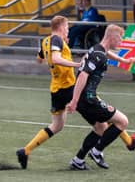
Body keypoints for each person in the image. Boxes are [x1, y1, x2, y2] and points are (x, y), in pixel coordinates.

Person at [67, 24, 135, 170]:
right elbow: (83, 75)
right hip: (88, 99)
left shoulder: (98, 49)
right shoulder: (98, 55)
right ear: (111, 37)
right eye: (120, 38)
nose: (121, 42)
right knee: (122, 121)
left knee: (100, 127)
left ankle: (78, 160)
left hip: (85, 99)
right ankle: (97, 151)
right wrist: (74, 100)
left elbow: (107, 54)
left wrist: (124, 61)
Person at [16, 15, 81, 169]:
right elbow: (56, 59)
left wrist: (59, 52)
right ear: (60, 27)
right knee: (100, 111)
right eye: (66, 27)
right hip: (68, 87)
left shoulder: (46, 41)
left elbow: (39, 59)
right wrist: (76, 63)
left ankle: (25, 150)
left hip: (56, 89)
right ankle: (128, 141)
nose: (68, 30)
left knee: (57, 125)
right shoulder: (56, 40)